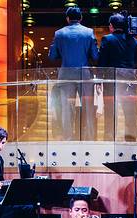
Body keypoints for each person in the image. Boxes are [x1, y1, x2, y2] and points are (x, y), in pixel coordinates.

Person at [49, 7, 98, 141]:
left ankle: (68, 140)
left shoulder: (59, 33)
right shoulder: (89, 32)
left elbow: (52, 56)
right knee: (88, 109)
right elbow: (95, 55)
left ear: (67, 19)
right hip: (84, 74)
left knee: (66, 109)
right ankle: (89, 139)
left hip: (66, 74)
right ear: (81, 18)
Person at [97, 13, 137, 142]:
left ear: (111, 26)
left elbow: (102, 63)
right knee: (130, 115)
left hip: (112, 83)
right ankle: (131, 142)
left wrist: (99, 80)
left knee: (110, 114)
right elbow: (135, 63)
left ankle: (109, 141)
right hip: (130, 83)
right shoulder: (135, 42)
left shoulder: (107, 39)